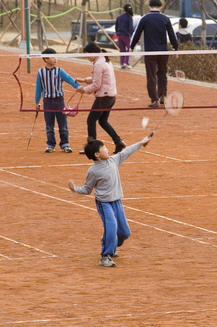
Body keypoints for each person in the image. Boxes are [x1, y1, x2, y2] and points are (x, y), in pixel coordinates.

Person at [68, 134, 152, 267]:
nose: (107, 150)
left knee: (124, 233)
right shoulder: (93, 171)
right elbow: (87, 189)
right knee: (112, 227)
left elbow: (127, 151)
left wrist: (141, 142)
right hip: (104, 203)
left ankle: (108, 240)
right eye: (104, 148)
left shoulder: (114, 160)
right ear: (96, 154)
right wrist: (75, 189)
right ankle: (105, 256)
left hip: (117, 202)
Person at [76, 42, 126, 155]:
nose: (86, 57)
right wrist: (84, 80)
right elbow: (99, 79)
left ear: (93, 53)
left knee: (91, 120)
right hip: (111, 97)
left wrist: (83, 89)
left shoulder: (98, 64)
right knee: (103, 121)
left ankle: (92, 148)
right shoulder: (104, 60)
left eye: (87, 54)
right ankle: (118, 141)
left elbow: (97, 85)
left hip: (103, 97)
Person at [130, 0, 179, 108]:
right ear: (160, 8)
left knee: (151, 75)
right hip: (163, 51)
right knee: (162, 73)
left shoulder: (145, 19)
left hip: (150, 52)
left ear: (149, 7)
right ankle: (162, 96)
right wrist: (175, 49)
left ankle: (154, 99)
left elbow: (136, 33)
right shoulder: (165, 19)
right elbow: (172, 35)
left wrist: (131, 47)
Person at [35, 48, 81, 153]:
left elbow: (70, 79)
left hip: (59, 100)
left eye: (56, 57)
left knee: (62, 123)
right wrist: (37, 102)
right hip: (47, 101)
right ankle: (50, 144)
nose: (55, 59)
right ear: (45, 59)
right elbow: (38, 88)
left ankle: (65, 144)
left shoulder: (59, 71)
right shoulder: (41, 72)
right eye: (52, 57)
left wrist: (79, 87)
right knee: (49, 125)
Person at [115, 3, 135, 69]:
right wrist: (132, 35)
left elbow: (116, 26)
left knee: (122, 49)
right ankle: (126, 62)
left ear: (123, 9)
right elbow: (131, 28)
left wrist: (117, 33)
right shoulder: (129, 18)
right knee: (129, 48)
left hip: (119, 35)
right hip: (126, 35)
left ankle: (122, 63)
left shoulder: (119, 17)